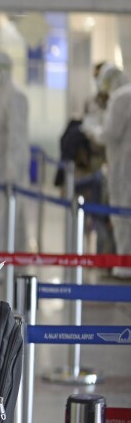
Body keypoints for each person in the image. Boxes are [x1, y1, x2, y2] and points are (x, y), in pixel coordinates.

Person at [83, 64, 131, 278]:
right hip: (123, 164)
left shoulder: (121, 98)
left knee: (122, 216)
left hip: (123, 167)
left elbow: (110, 134)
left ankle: (125, 263)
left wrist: (92, 130)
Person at [0, 51, 30, 253]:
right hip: (0, 165)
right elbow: (2, 128)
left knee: (6, 216)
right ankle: (13, 257)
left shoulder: (15, 96)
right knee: (6, 215)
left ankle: (4, 261)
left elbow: (17, 136)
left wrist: (13, 167)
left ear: (4, 70)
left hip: (10, 168)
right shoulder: (1, 94)